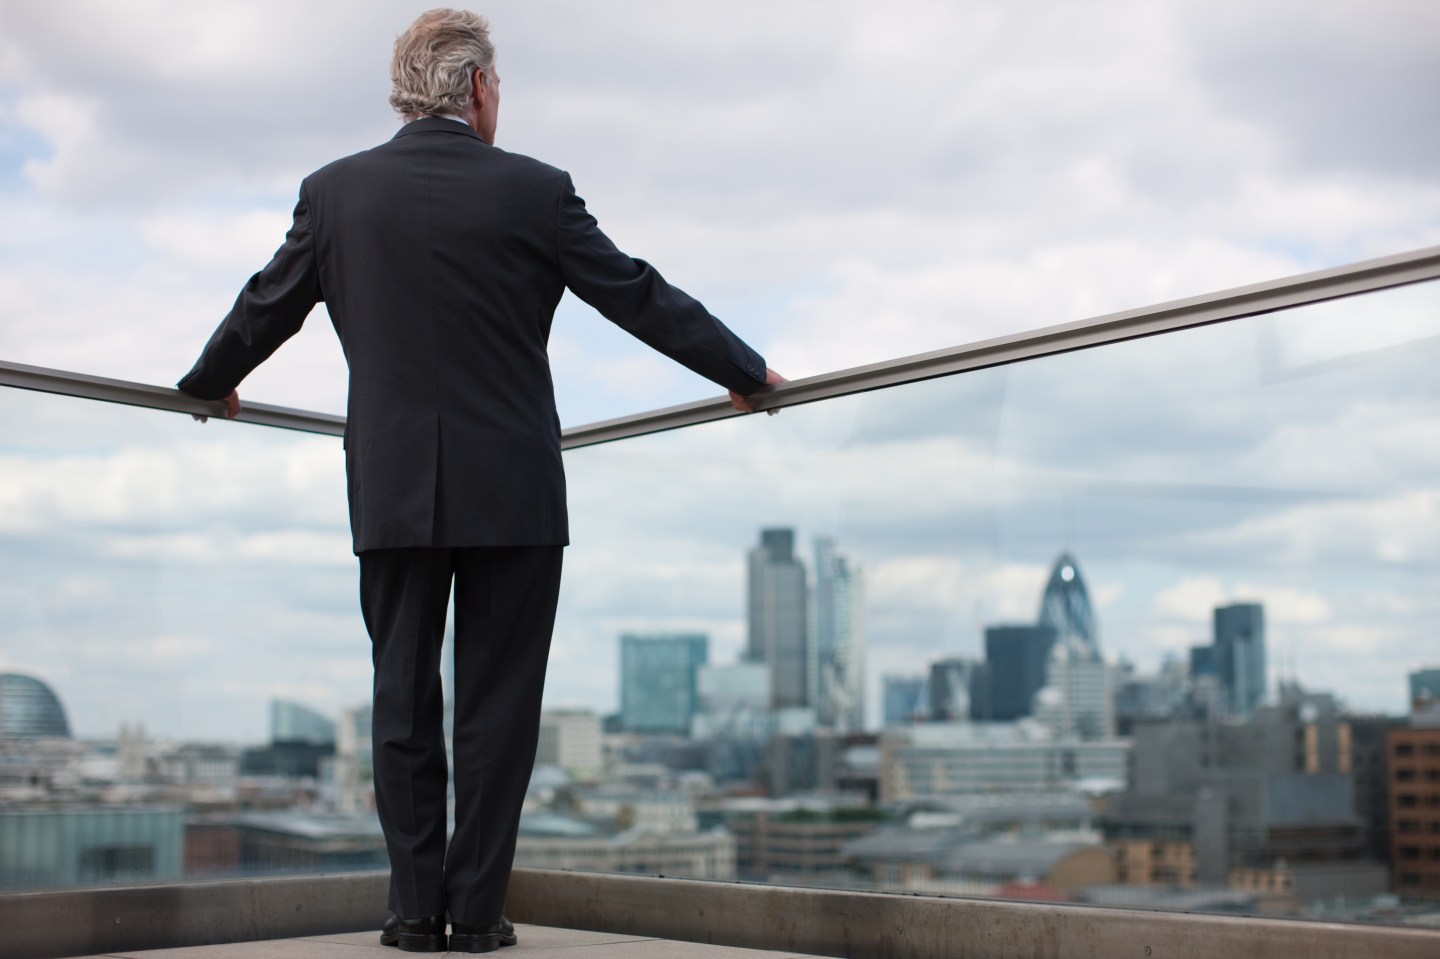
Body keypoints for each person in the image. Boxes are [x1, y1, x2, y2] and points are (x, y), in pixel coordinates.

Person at [177, 8, 782, 954]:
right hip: (513, 488)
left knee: (401, 702)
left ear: (406, 91)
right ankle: (478, 912)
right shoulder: (536, 192)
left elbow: (266, 304)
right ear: (481, 90)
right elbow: (636, 293)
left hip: (390, 487)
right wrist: (745, 372)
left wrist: (210, 386)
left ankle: (414, 912)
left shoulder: (335, 193)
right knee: (498, 711)